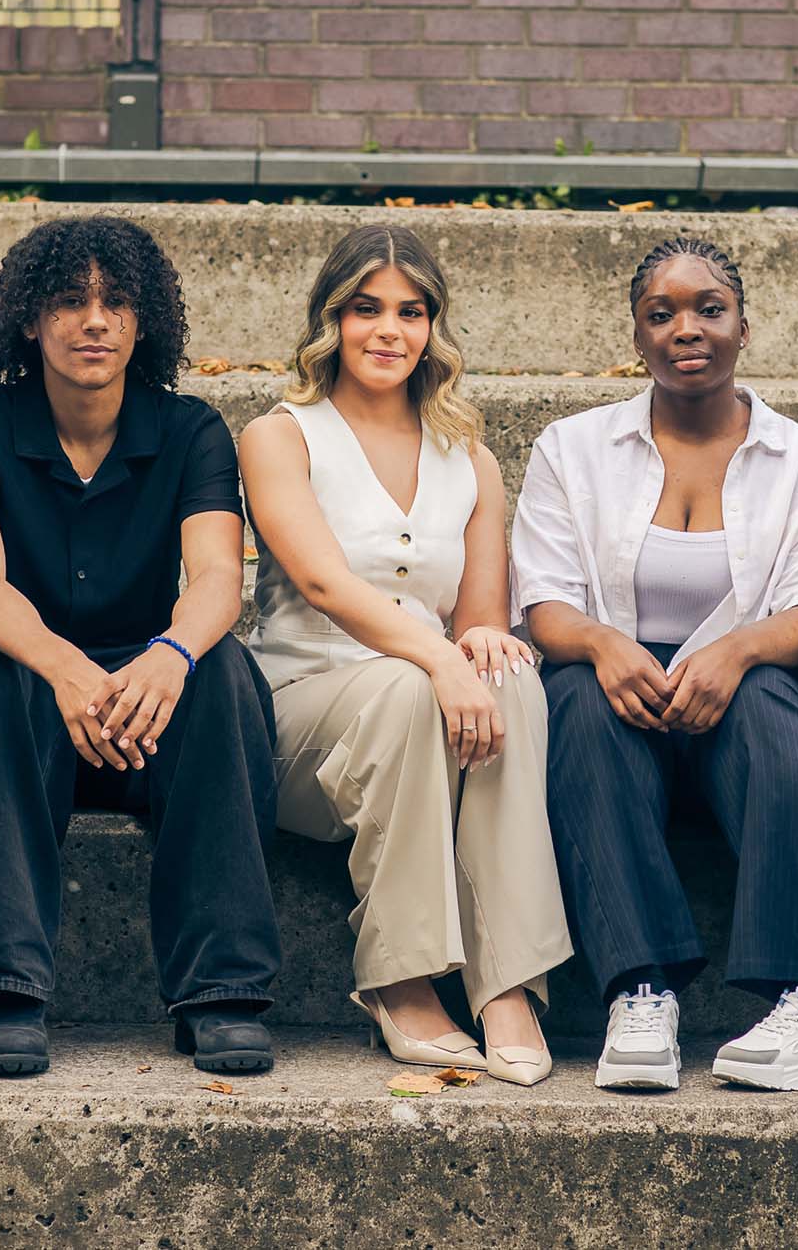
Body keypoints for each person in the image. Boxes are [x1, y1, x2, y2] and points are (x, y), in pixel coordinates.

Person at [514, 236, 798, 1093]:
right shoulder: (572, 448)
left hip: (741, 704)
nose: (688, 327)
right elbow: (545, 602)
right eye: (661, 313)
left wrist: (739, 648)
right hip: (619, 706)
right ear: (636, 337)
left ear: (744, 327)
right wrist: (605, 645)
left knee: (776, 702)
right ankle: (641, 991)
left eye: (709, 308)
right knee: (570, 693)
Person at [0, 216, 281, 1077]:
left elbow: (214, 578)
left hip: (149, 717)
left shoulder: (192, 429)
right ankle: (8, 986)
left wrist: (168, 655)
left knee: (222, 667)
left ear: (144, 320)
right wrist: (65, 667)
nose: (94, 320)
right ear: (27, 319)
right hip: (28, 703)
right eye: (68, 301)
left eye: (116, 302)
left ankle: (223, 988)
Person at [241, 225, 570, 1087]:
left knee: (513, 674)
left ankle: (505, 979)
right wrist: (440, 658)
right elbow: (320, 582)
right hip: (303, 719)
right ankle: (401, 972)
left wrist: (475, 650)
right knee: (408, 680)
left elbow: (481, 621)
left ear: (434, 328)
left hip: (432, 711)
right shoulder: (281, 436)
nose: (389, 330)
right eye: (366, 309)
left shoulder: (471, 459)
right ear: (331, 320)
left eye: (411, 311)